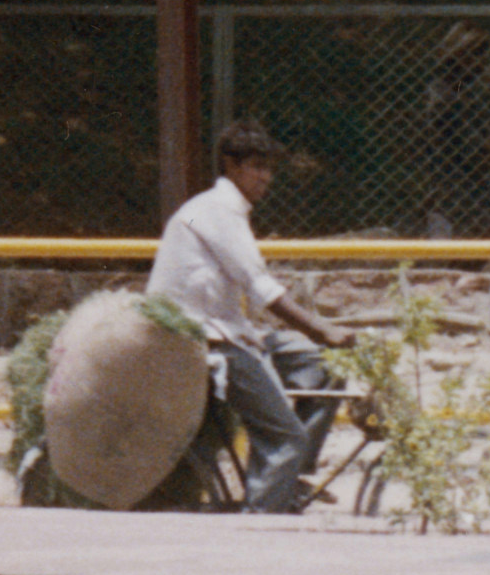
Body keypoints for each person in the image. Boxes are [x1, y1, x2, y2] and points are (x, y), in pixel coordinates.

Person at [147, 116, 351, 514]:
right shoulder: (215, 210)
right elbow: (261, 287)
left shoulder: (221, 210)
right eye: (256, 167)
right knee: (285, 438)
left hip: (231, 331)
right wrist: (321, 327)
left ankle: (291, 477)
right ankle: (261, 519)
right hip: (203, 339)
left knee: (326, 366)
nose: (265, 178)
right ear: (231, 166)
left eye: (269, 168)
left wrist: (324, 340)